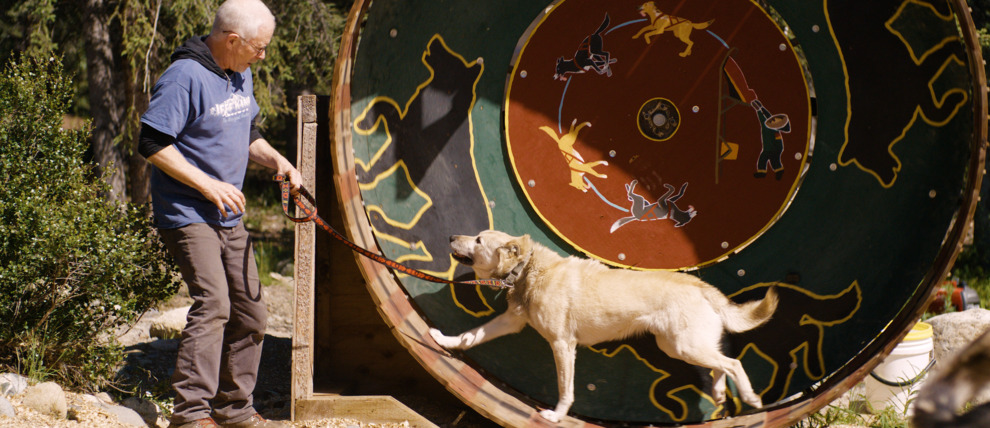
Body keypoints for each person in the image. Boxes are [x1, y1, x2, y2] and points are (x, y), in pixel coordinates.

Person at [137, 0, 300, 427]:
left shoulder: (240, 72)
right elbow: (152, 143)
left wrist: (278, 160)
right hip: (189, 212)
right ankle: (190, 415)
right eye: (259, 47)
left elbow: (248, 131)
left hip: (229, 215)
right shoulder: (184, 76)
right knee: (214, 304)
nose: (263, 55)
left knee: (252, 312)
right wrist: (207, 184)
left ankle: (233, 409)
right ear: (232, 40)